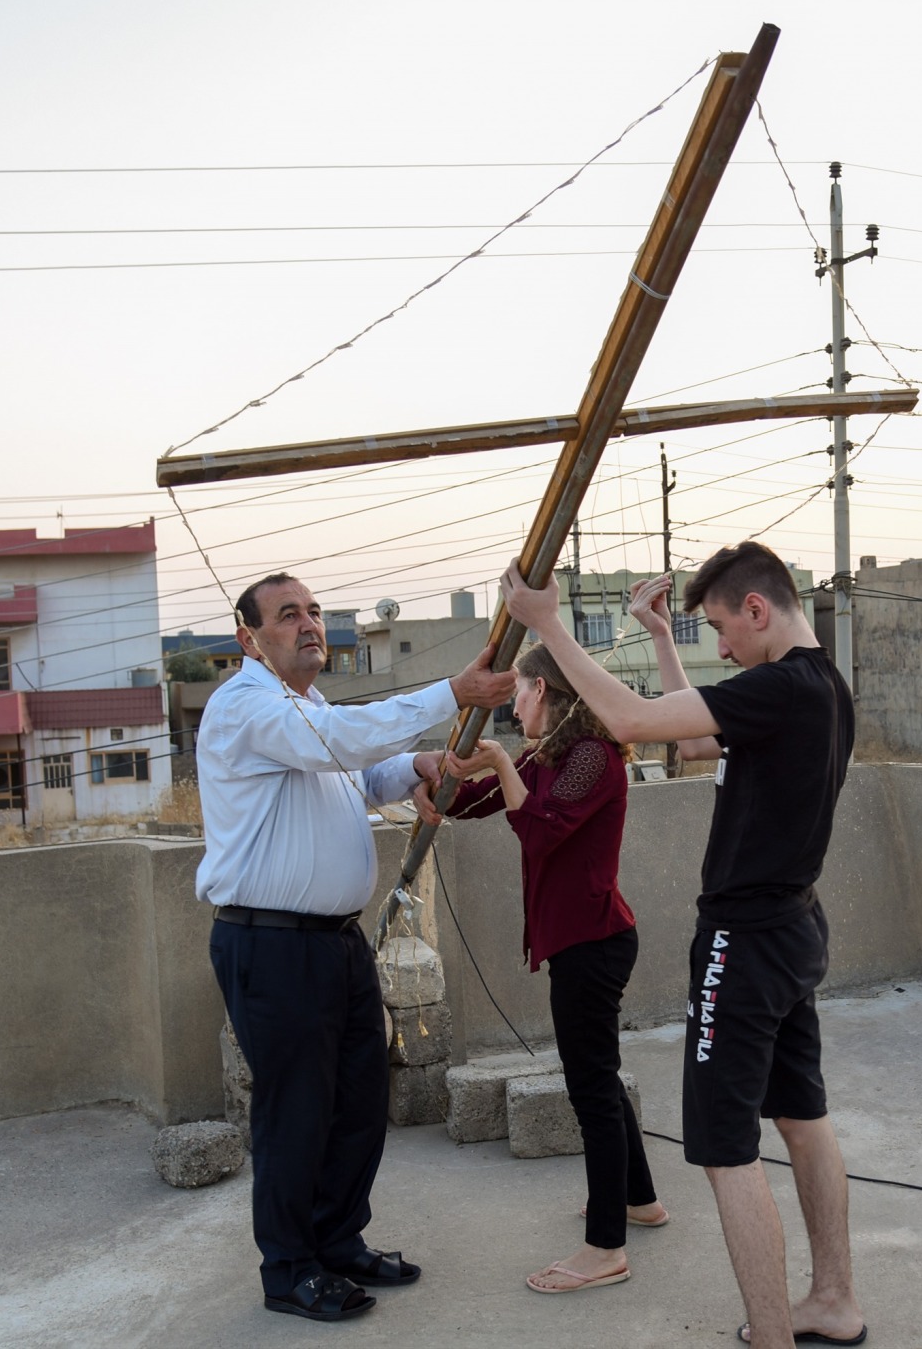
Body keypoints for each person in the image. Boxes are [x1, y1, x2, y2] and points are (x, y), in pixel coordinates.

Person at [499, 543, 865, 1349]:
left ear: (760, 610)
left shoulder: (780, 688)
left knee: (727, 1151)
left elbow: (628, 722)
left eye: (724, 629)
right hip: (794, 924)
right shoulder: (823, 689)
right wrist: (662, 636)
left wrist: (549, 626)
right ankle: (833, 1299)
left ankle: (773, 1337)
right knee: (803, 1115)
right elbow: (695, 739)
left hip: (745, 939)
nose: (723, 648)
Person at [198, 571, 516, 1323]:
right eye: (287, 615)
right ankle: (289, 1268)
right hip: (271, 946)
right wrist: (452, 695)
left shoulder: (304, 707)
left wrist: (415, 768)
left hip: (332, 946)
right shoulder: (245, 706)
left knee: (358, 1104)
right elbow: (337, 744)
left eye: (312, 610)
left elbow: (358, 771)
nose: (309, 623)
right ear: (249, 637)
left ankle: (337, 1241)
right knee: (296, 1112)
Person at [440, 643, 668, 1295]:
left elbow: (538, 831)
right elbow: (480, 801)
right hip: (584, 942)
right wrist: (436, 783)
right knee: (600, 1077)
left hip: (593, 945)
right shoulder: (555, 757)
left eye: (518, 691)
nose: (512, 706)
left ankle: (605, 1249)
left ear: (543, 690)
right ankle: (640, 1198)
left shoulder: (592, 758)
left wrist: (504, 762)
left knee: (590, 1088)